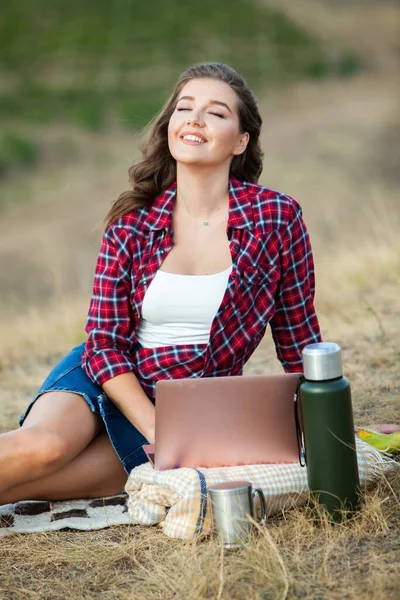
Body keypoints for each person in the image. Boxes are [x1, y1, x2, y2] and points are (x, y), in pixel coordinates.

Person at [0, 62, 322, 505]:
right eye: (185, 107)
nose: (194, 118)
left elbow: (299, 338)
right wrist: (156, 428)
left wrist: (330, 429)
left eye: (216, 112)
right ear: (170, 126)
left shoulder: (277, 218)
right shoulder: (131, 225)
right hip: (106, 378)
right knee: (45, 449)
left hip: (190, 410)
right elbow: (104, 343)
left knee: (30, 487)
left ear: (241, 141)